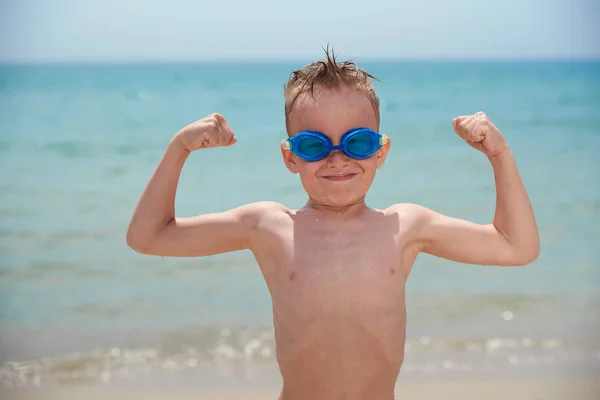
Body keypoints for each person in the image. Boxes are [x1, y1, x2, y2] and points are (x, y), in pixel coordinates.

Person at [126, 48, 540, 400]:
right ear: (291, 157)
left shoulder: (405, 227)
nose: (338, 158)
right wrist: (179, 148)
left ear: (381, 151)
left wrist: (498, 155)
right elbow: (149, 236)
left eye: (357, 141)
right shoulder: (269, 226)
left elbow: (516, 246)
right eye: (315, 145)